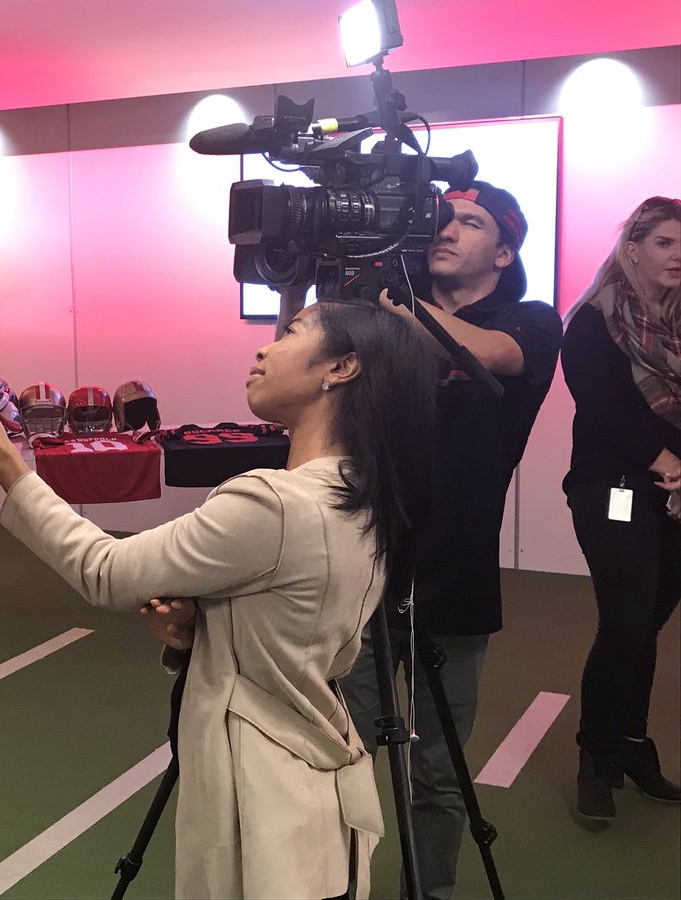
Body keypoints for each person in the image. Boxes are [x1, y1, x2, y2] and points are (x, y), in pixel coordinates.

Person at [0, 300, 439, 899]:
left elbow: (106, 570)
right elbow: (302, 635)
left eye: (293, 333)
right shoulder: (359, 494)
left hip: (262, 817)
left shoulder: (275, 504)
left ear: (342, 368)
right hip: (315, 813)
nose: (264, 348)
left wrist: (5, 463)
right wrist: (203, 631)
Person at [327, 182, 564, 898]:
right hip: (362, 569)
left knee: (438, 773)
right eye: (442, 219)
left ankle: (426, 893)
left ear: (505, 248)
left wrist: (395, 298)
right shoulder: (384, 318)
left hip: (455, 582)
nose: (449, 230)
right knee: (338, 757)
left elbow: (489, 353)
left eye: (471, 222)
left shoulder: (530, 320)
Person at [561, 195, 681, 821]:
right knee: (626, 622)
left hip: (677, 491)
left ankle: (632, 745)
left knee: (650, 622)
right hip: (615, 486)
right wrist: (668, 464)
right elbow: (604, 409)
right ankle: (596, 754)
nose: (678, 255)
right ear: (632, 249)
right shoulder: (593, 321)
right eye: (665, 242)